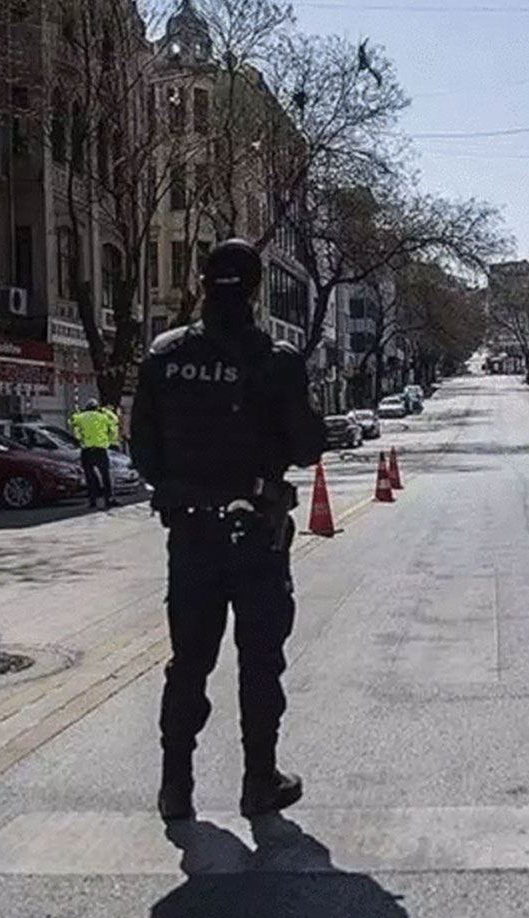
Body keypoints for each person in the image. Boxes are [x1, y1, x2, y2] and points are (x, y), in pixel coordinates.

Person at [132, 238, 327, 822]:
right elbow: (308, 446)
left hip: (191, 538)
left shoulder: (164, 356)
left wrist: (186, 483)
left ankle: (176, 788)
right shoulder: (275, 359)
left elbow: (143, 452)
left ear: (201, 284)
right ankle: (258, 781)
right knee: (259, 662)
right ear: (256, 289)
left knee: (188, 662)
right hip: (256, 536)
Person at [69, 398, 117, 509]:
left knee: (90, 477)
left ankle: (92, 501)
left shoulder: (81, 417)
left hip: (87, 450)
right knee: (105, 476)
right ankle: (108, 499)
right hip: (101, 450)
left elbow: (71, 422)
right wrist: (106, 410)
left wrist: (78, 413)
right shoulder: (103, 417)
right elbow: (114, 421)